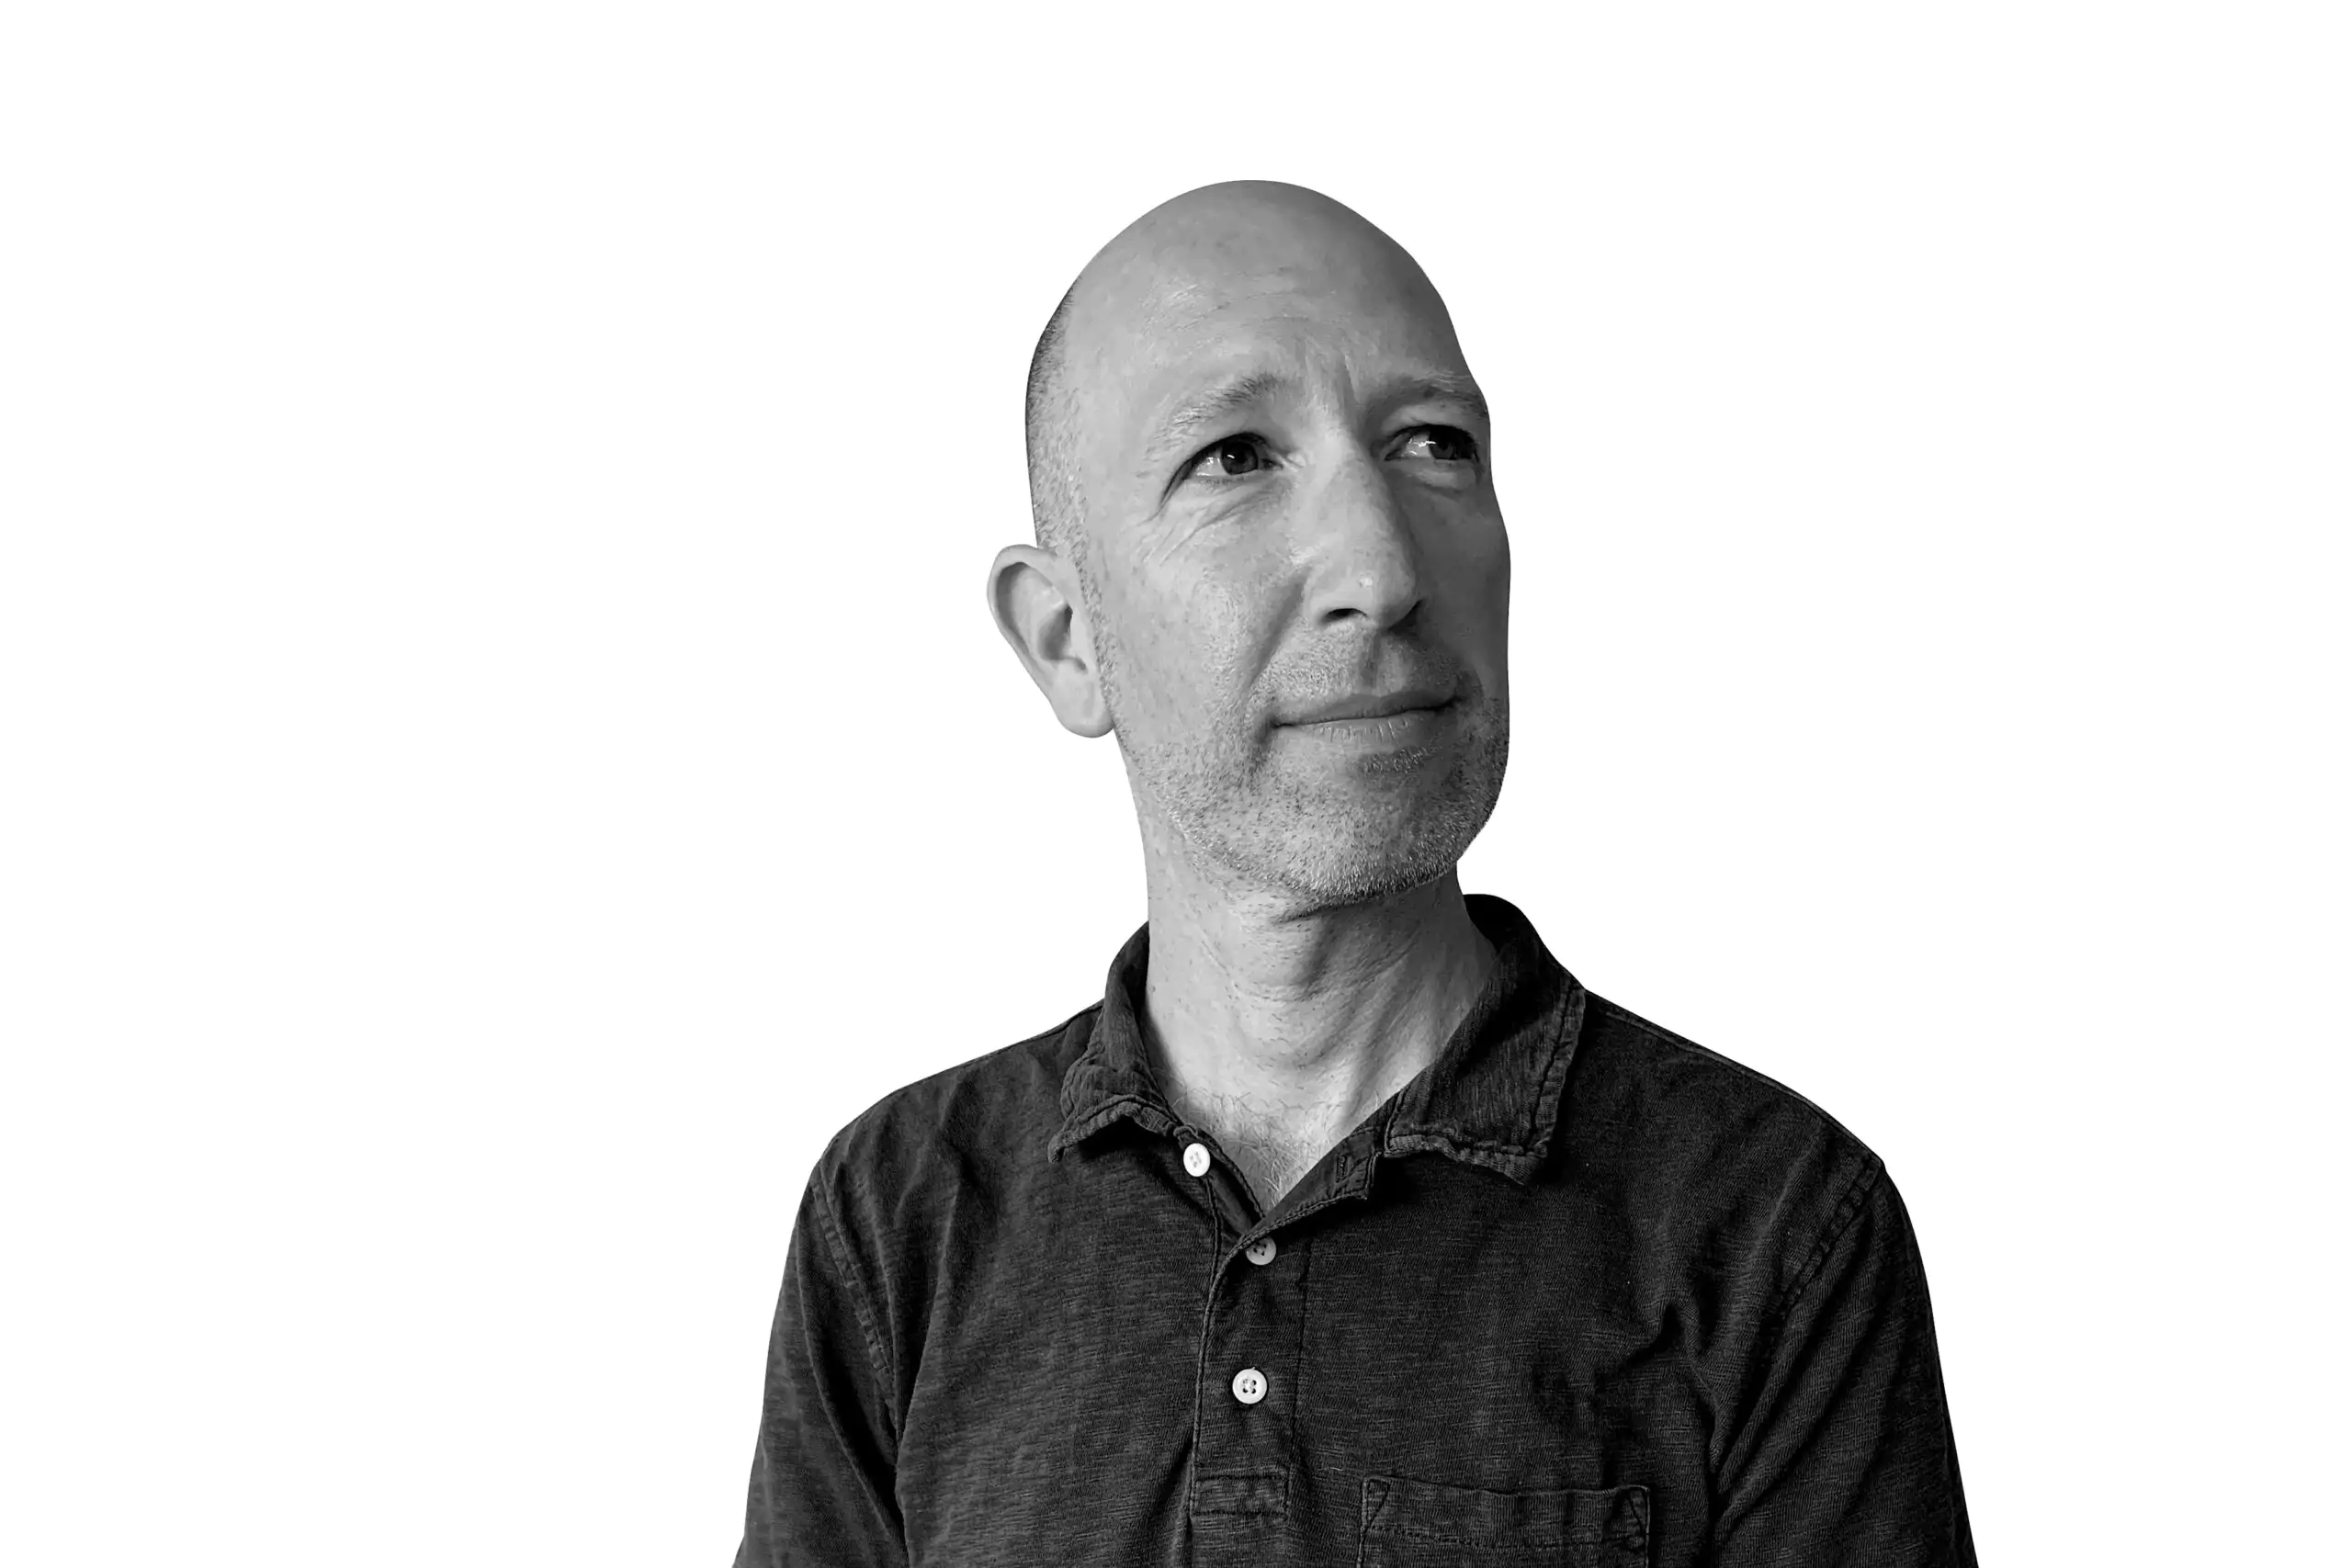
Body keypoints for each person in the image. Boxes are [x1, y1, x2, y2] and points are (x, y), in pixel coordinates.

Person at [735, 181, 1975, 1566]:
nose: (1384, 571)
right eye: (1235, 459)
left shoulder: (1776, 1229)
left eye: (1434, 445)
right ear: (1067, 639)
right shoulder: (899, 1220)